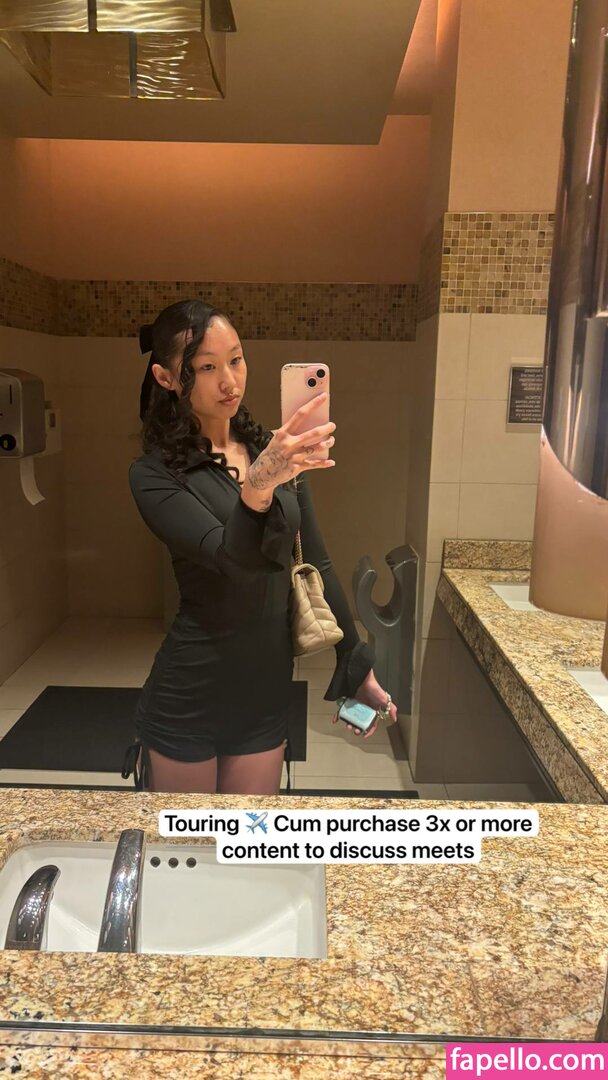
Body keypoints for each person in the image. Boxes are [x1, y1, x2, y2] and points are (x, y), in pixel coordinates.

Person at [127, 299, 397, 795]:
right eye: (206, 368)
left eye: (236, 359)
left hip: (266, 693)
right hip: (191, 693)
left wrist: (355, 666)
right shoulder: (155, 474)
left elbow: (317, 562)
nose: (229, 380)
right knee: (190, 841)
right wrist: (258, 484)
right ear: (166, 378)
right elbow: (232, 559)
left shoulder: (272, 455)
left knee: (248, 838)